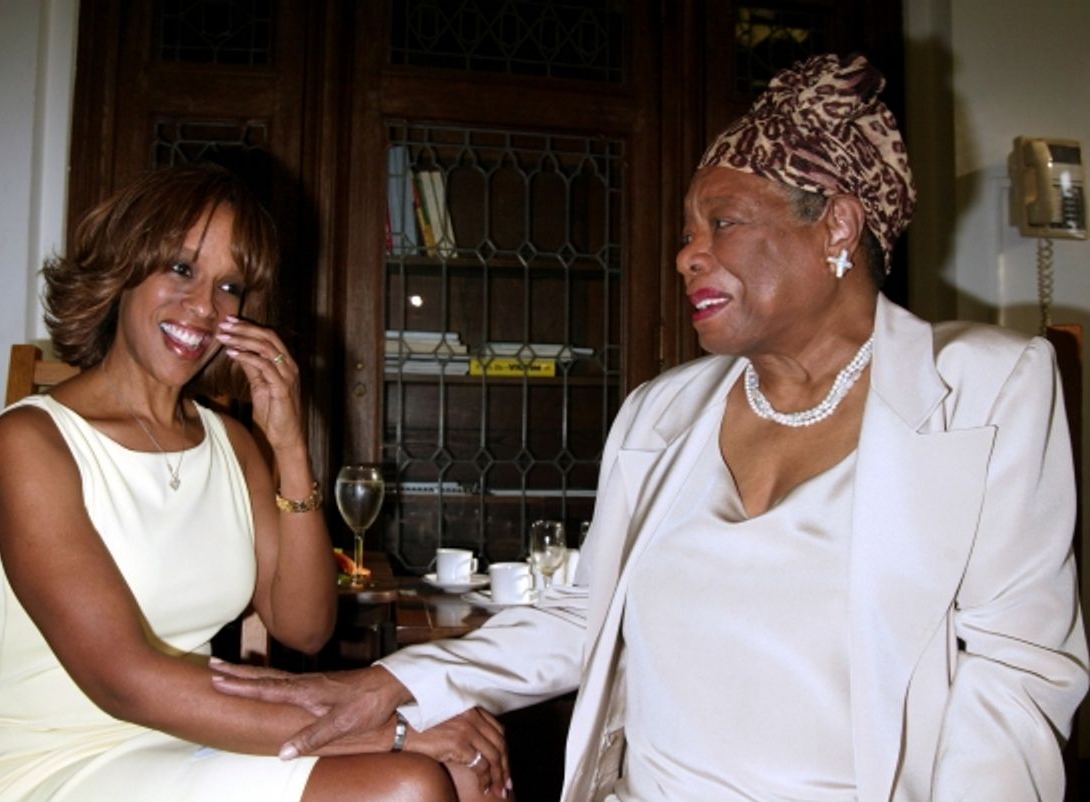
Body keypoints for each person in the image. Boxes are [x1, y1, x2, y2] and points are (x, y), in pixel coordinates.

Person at [211, 54, 1090, 801]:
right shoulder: (662, 413)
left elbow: (1015, 680)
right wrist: (393, 682)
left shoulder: (987, 389)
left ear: (839, 225)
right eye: (684, 230)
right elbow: (582, 612)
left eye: (723, 221)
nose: (685, 254)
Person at [0, 163, 507, 802]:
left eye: (230, 285)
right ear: (125, 267)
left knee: (466, 772)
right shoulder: (32, 444)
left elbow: (304, 627)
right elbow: (123, 680)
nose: (206, 307)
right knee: (407, 782)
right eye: (182, 269)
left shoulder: (231, 444)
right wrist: (391, 731)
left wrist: (289, 442)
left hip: (191, 742)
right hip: (56, 762)